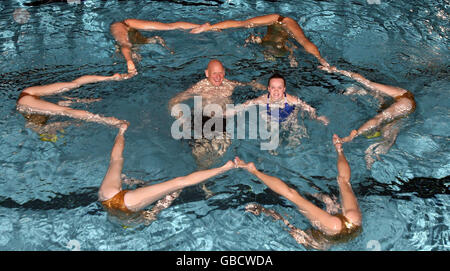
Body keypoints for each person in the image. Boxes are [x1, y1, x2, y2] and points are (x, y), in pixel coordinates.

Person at [235, 134, 362, 250]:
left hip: (354, 222)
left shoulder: (339, 230)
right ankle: (254, 171)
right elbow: (285, 222)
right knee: (291, 195)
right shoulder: (314, 243)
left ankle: (339, 149)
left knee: (344, 181)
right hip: (331, 227)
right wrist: (265, 211)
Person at [98, 122, 236, 223]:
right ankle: (225, 168)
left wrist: (120, 132)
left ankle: (225, 168)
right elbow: (177, 186)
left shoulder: (137, 217)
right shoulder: (127, 203)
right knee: (179, 183)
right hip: (117, 200)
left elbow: (115, 157)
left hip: (119, 203)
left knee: (178, 184)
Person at [169, 59, 265, 169]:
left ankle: (212, 171)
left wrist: (259, 86)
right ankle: (201, 174)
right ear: (207, 73)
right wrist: (181, 119)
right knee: (200, 152)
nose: (218, 77)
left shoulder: (230, 84)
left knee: (222, 148)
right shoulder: (200, 87)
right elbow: (174, 101)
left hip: (221, 120)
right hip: (202, 120)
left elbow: (247, 85)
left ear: (224, 73)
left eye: (220, 73)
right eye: (214, 73)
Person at [322, 66, 416, 169]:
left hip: (404, 102)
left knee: (381, 123)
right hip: (400, 111)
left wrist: (354, 135)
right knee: (386, 137)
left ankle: (370, 153)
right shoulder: (379, 98)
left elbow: (362, 80)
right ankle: (372, 158)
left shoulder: (391, 94)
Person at [190, 14, 330, 68]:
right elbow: (304, 44)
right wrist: (320, 59)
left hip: (276, 25)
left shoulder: (267, 45)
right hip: (281, 21)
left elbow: (252, 36)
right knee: (243, 24)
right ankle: (210, 27)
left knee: (244, 24)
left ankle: (210, 27)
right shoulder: (283, 41)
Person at [16, 73, 129, 137]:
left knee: (66, 111)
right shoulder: (38, 118)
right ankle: (110, 77)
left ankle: (108, 120)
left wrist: (105, 121)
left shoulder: (38, 127)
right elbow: (65, 122)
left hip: (25, 101)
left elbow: (66, 115)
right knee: (74, 84)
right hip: (28, 92)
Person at [227, 73, 329, 126]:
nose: (276, 91)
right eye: (273, 88)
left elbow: (308, 107)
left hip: (289, 117)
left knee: (296, 129)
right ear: (268, 89)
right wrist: (227, 113)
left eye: (279, 88)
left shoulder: (291, 100)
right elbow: (245, 105)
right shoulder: (262, 99)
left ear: (284, 89)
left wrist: (316, 117)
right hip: (270, 117)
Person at [111, 19, 202, 75]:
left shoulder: (123, 41)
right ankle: (204, 27)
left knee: (170, 27)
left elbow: (125, 46)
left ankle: (203, 27)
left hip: (123, 24)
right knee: (171, 26)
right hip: (132, 33)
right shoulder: (142, 42)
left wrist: (129, 61)